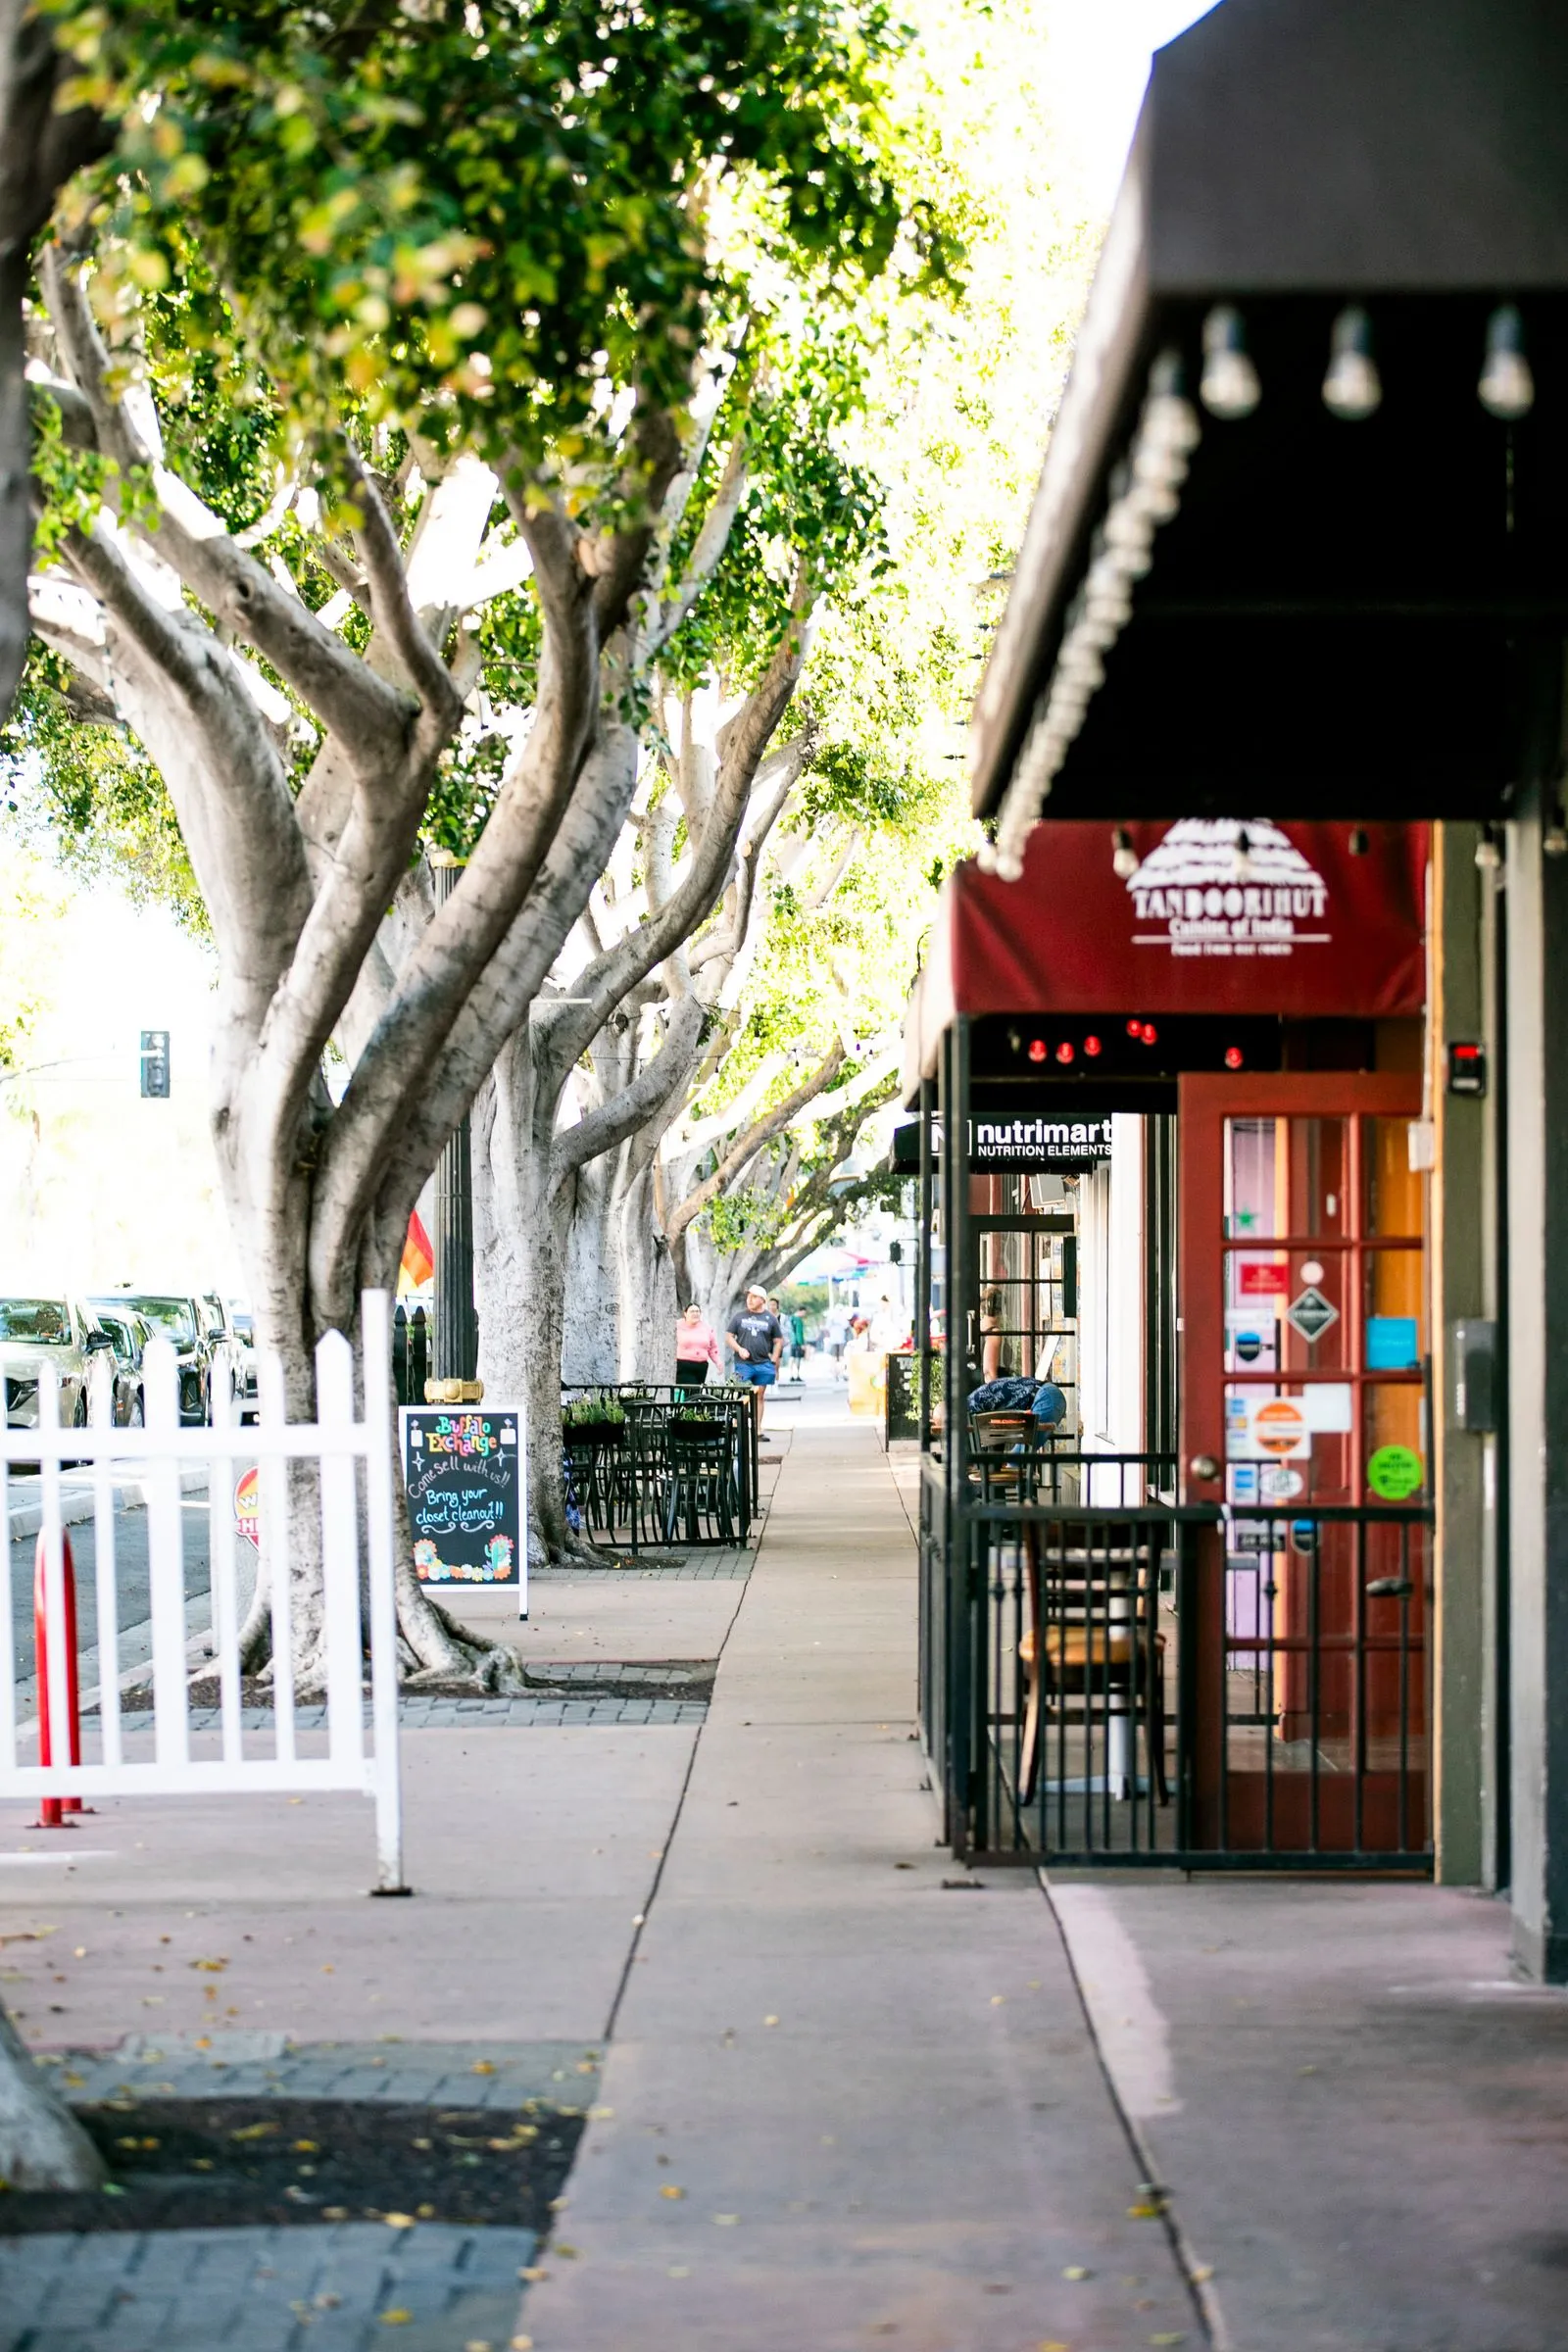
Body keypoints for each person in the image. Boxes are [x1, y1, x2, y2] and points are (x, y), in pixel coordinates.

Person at [726, 1285, 784, 1425]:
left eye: (754, 1297)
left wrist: (774, 1359)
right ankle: (738, 1427)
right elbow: (728, 1336)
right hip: (743, 1364)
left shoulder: (770, 1319)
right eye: (748, 1296)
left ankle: (757, 1429)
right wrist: (739, 1349)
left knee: (759, 1396)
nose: (749, 1300)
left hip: (763, 1363)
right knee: (741, 1396)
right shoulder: (739, 1317)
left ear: (762, 1300)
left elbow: (778, 1340)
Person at [673, 1301, 721, 1387]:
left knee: (696, 1392)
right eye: (692, 1311)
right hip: (684, 1365)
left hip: (701, 1367)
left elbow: (713, 1348)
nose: (695, 1314)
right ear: (685, 1313)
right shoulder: (677, 1325)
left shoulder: (706, 1328)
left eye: (697, 1311)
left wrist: (718, 1362)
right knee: (692, 1391)